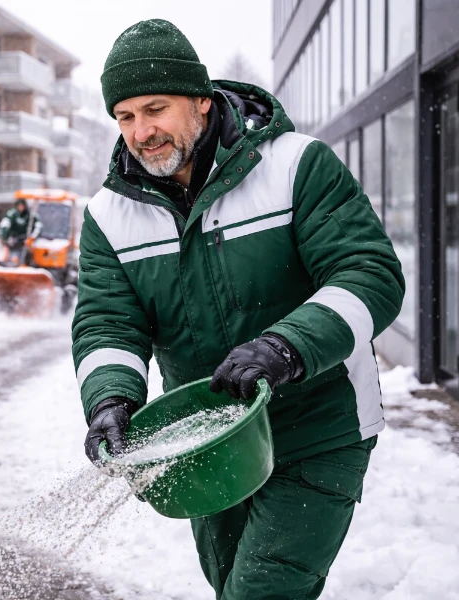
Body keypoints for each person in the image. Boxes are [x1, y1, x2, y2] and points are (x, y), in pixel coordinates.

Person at [72, 20, 404, 599]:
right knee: (233, 588)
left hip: (317, 425)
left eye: (157, 109)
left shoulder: (296, 166)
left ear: (201, 100)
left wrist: (285, 347)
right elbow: (107, 321)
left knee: (262, 592)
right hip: (205, 439)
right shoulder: (108, 215)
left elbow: (369, 274)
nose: (142, 132)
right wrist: (110, 398)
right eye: (125, 117)